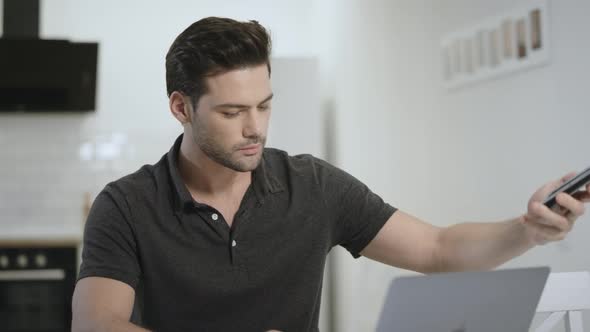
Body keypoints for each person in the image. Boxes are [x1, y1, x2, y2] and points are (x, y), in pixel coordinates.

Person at [71, 17, 590, 332]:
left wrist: (528, 229)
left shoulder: (313, 187)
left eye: (265, 105)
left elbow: (438, 249)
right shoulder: (126, 204)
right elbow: (97, 323)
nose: (255, 129)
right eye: (231, 113)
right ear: (181, 108)